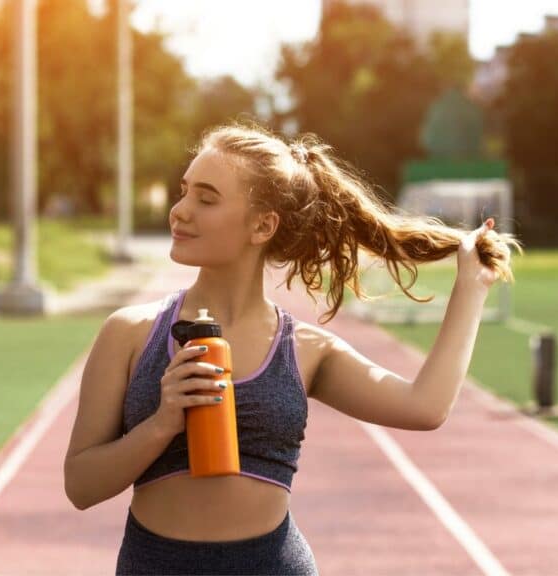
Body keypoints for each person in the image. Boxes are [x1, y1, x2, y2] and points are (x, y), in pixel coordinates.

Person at [63, 121, 523, 575]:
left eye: (206, 198)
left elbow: (425, 406)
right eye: (183, 191)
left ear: (262, 225)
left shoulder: (304, 349)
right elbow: (80, 485)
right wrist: (161, 425)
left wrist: (472, 287)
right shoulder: (129, 333)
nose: (180, 210)